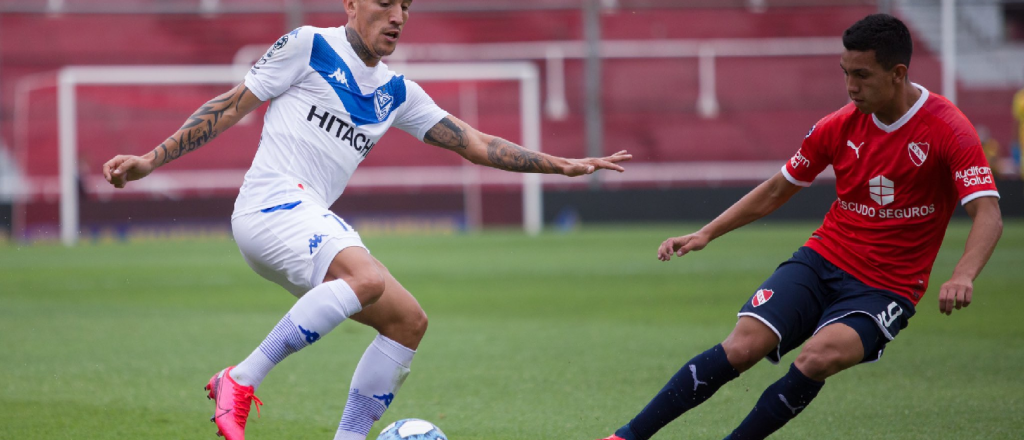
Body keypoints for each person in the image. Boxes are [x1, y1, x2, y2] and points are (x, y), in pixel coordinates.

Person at [102, 1, 631, 439]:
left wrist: (557, 163)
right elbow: (231, 105)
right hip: (268, 206)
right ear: (351, 6)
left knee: (407, 322)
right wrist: (151, 158)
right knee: (368, 278)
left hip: (305, 217)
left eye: (405, 7)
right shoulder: (309, 45)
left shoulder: (396, 93)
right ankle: (239, 379)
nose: (397, 15)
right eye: (384, 3)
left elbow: (474, 142)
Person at [598, 13, 1001, 440]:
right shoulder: (837, 126)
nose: (851, 86)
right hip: (822, 259)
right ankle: (625, 437)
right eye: (846, 73)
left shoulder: (948, 129)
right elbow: (776, 189)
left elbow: (988, 212)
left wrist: (963, 274)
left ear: (898, 73)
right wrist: (706, 233)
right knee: (742, 346)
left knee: (818, 357)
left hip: (886, 286)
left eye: (862, 75)